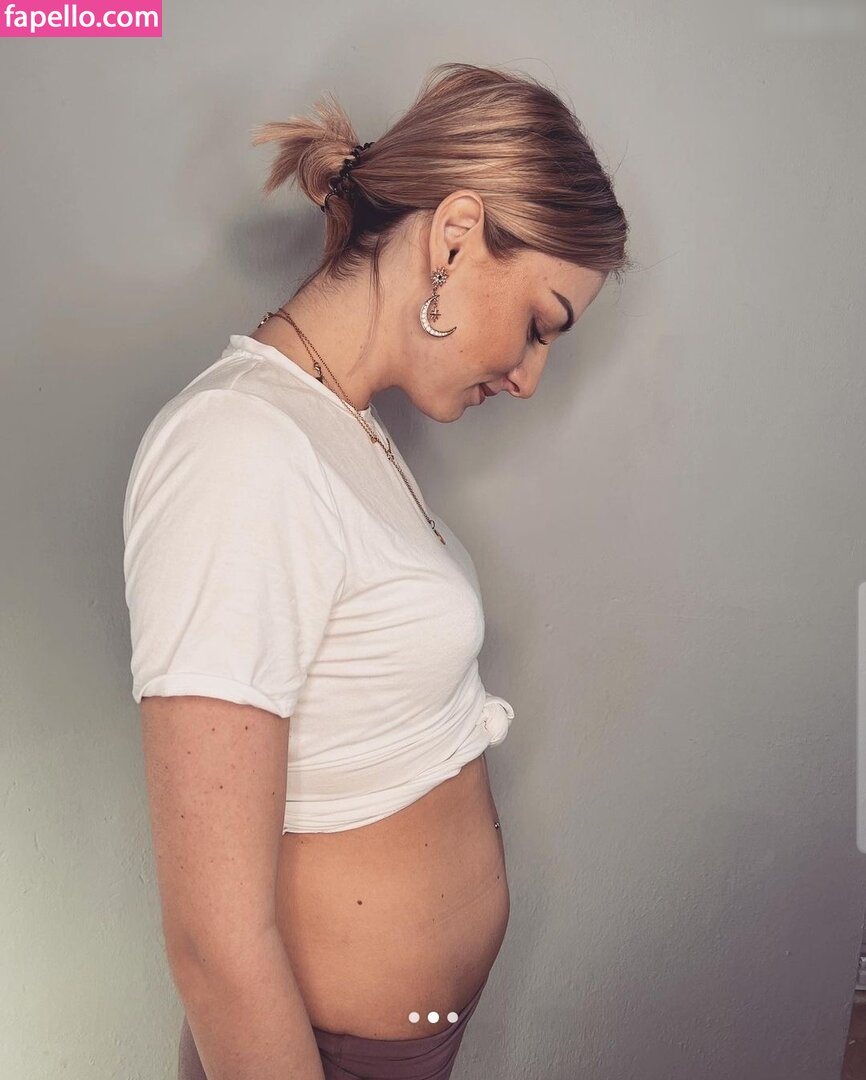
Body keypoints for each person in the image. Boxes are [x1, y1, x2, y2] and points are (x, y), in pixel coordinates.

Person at [122, 61, 631, 1080]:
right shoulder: (237, 448)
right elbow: (214, 947)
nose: (529, 377)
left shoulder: (334, 428)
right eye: (539, 323)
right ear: (455, 236)